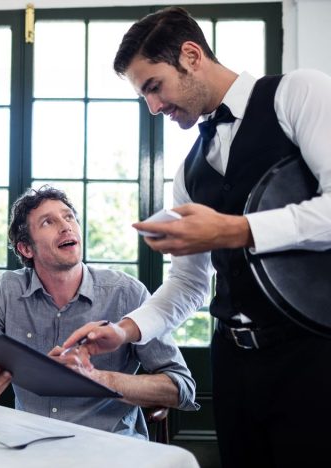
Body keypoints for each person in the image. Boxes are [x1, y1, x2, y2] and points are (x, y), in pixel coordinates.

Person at [63, 6, 331, 467]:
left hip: (315, 356)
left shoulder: (299, 91)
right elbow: (189, 285)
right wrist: (123, 330)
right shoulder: (189, 171)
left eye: (153, 86)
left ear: (191, 55)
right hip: (233, 365)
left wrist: (233, 229)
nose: (153, 107)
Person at [0, 186, 198, 440]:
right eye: (48, 222)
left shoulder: (127, 293)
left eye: (69, 217)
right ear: (26, 249)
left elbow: (181, 388)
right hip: (29, 447)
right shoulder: (6, 291)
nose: (66, 226)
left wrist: (98, 379)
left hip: (109, 449)